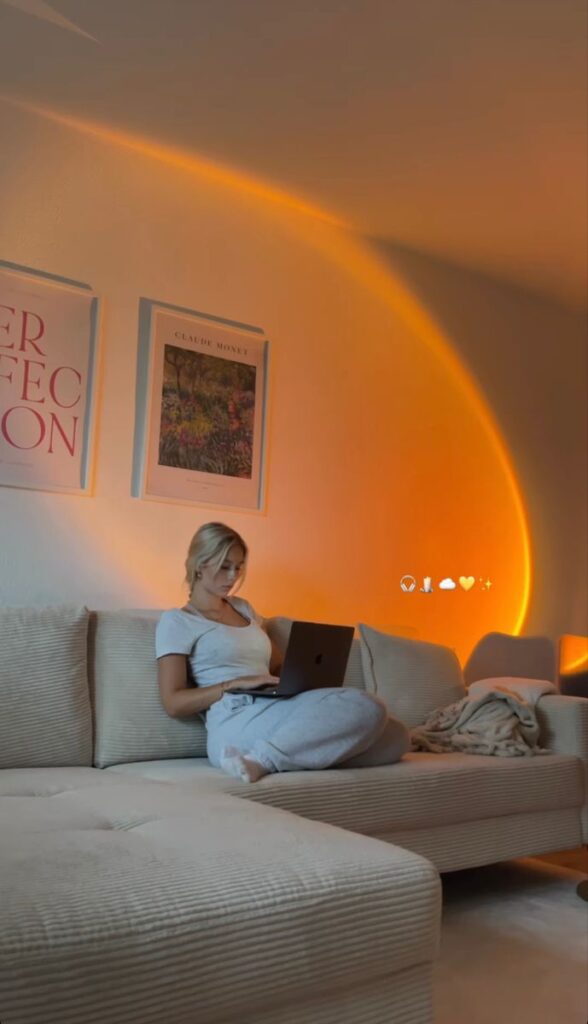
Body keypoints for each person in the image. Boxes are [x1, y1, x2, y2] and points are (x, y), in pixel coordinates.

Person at [156, 522, 410, 783]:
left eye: (239, 566)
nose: (233, 576)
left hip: (272, 704)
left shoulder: (243, 609)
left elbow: (276, 666)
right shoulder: (178, 621)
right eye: (224, 566)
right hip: (234, 718)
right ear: (199, 565)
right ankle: (262, 760)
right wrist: (235, 683)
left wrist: (303, 679)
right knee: (368, 707)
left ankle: (293, 753)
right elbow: (174, 703)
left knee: (397, 737)